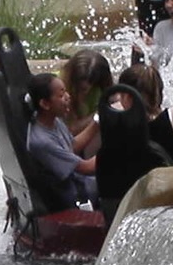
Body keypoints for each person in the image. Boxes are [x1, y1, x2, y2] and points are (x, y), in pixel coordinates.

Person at [25, 72, 98, 207]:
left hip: (79, 181)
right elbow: (86, 167)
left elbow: (73, 146)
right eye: (61, 95)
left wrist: (98, 122)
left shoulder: (52, 120)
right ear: (45, 104)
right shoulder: (42, 141)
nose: (68, 97)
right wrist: (115, 150)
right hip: (74, 194)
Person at [59, 48, 112, 157]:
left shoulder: (99, 90)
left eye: (91, 83)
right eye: (80, 87)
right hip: (69, 147)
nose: (85, 91)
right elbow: (69, 130)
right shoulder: (58, 89)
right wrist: (100, 114)